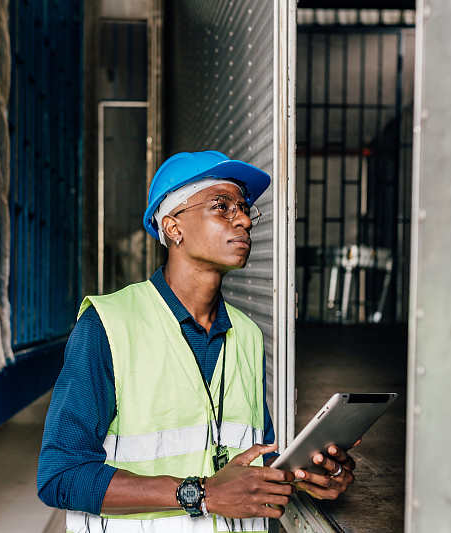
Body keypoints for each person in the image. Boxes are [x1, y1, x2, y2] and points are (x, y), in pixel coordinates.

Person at [37, 151, 356, 532]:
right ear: (173, 228)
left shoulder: (247, 336)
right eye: (221, 206)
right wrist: (200, 494)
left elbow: (248, 461)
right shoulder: (108, 325)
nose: (242, 219)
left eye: (243, 209)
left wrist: (306, 478)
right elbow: (60, 477)